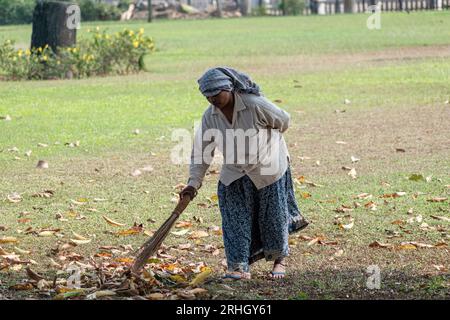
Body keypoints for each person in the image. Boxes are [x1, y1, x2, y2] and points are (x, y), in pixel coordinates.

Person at [180, 67, 308, 280]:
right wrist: (193, 183)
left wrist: (269, 139)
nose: (212, 99)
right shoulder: (210, 117)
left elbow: (284, 120)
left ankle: (279, 261)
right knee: (233, 220)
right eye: (207, 96)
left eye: (216, 94)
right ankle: (238, 267)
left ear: (228, 88)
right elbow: (201, 151)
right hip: (234, 173)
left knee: (273, 217)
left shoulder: (254, 105)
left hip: (267, 168)